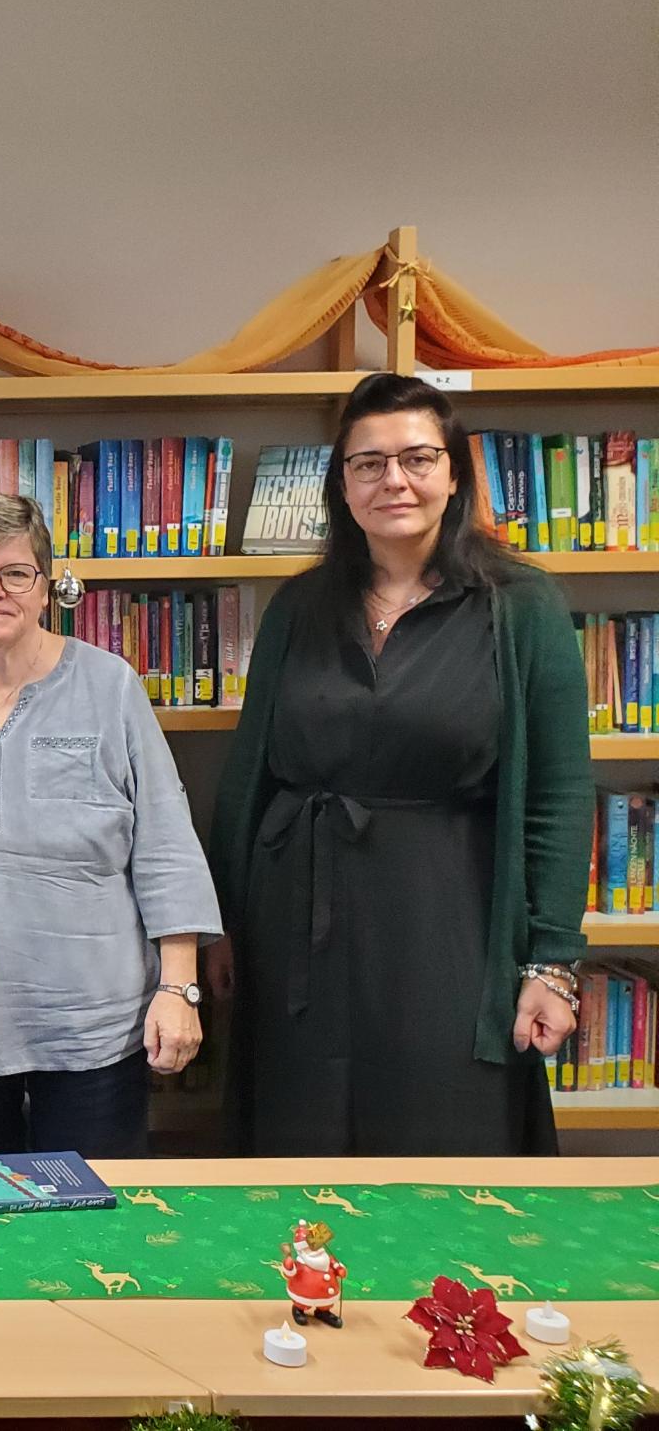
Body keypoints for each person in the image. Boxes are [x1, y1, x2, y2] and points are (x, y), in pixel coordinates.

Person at [209, 372, 588, 1155]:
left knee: (445, 1123)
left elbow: (556, 790)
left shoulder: (521, 605)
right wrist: (221, 926)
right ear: (341, 484)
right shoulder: (298, 606)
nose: (395, 481)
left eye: (417, 458)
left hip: (450, 915)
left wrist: (551, 960)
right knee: (301, 1132)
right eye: (368, 463)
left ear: (454, 474)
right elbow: (251, 775)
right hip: (295, 923)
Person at [0, 494, 220, 1159]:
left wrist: (178, 986)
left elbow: (166, 843)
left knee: (93, 1226)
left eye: (15, 574)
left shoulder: (109, 686)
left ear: (46, 588)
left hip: (95, 1018)